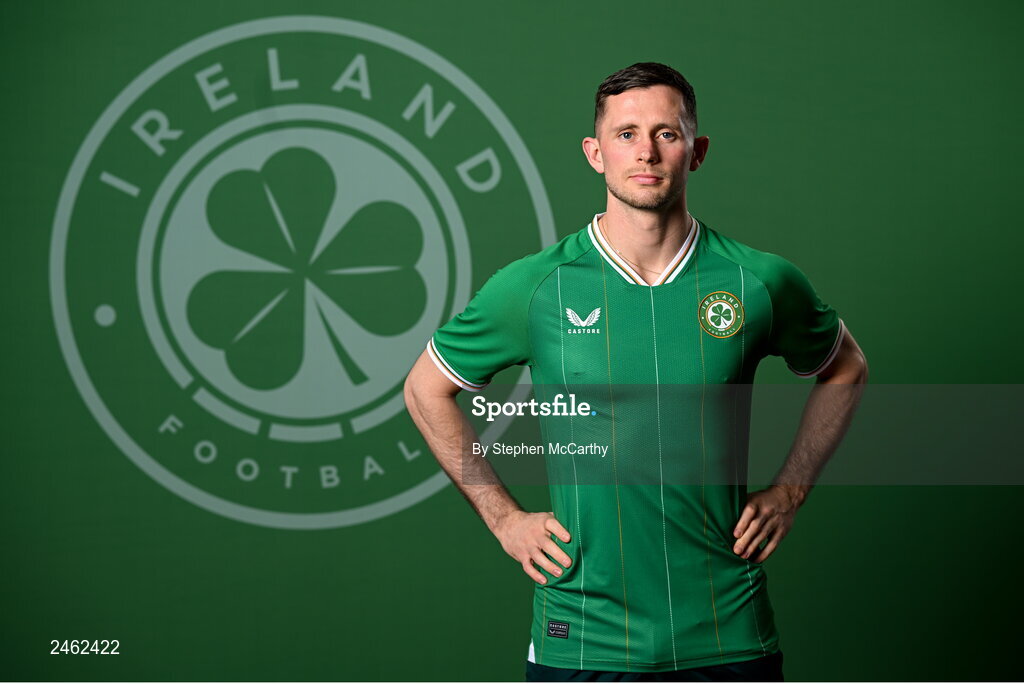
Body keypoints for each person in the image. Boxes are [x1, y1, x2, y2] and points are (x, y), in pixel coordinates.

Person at [404, 62, 868, 682]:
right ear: (594, 153)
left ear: (696, 151)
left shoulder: (759, 281)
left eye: (666, 134)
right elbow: (424, 389)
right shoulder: (534, 287)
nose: (645, 151)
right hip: (582, 633)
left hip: (726, 629)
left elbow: (846, 367)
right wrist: (503, 517)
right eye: (625, 134)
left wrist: (791, 490)